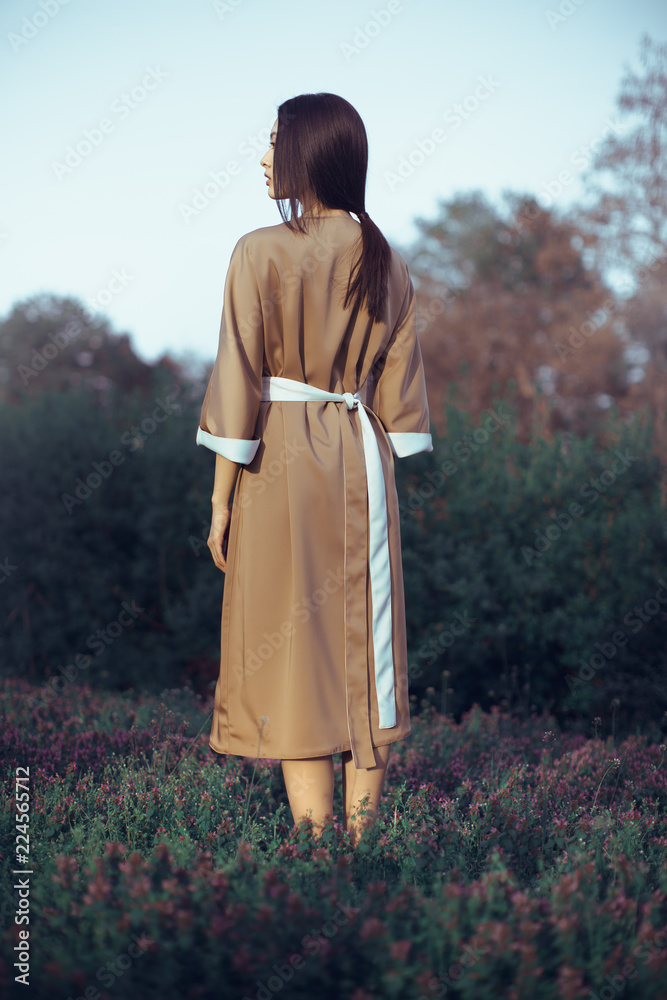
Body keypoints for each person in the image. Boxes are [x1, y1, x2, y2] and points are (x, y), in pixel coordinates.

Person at [196, 92, 432, 847]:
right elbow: (401, 406)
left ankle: (315, 846)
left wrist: (220, 501)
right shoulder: (388, 261)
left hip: (281, 458)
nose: (264, 157)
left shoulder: (258, 251)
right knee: (368, 642)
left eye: (273, 142)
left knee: (291, 645)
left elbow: (237, 376)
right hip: (360, 457)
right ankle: (364, 847)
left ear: (307, 153)